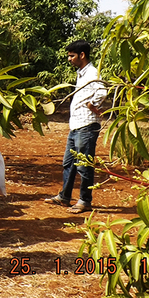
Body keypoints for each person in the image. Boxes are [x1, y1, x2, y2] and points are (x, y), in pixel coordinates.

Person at [44, 40, 106, 213]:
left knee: (84, 164)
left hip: (87, 124)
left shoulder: (93, 72)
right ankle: (64, 196)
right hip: (77, 124)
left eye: (72, 56)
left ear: (82, 55)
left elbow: (102, 91)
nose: (69, 59)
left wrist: (92, 105)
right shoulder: (81, 73)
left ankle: (85, 201)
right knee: (69, 163)